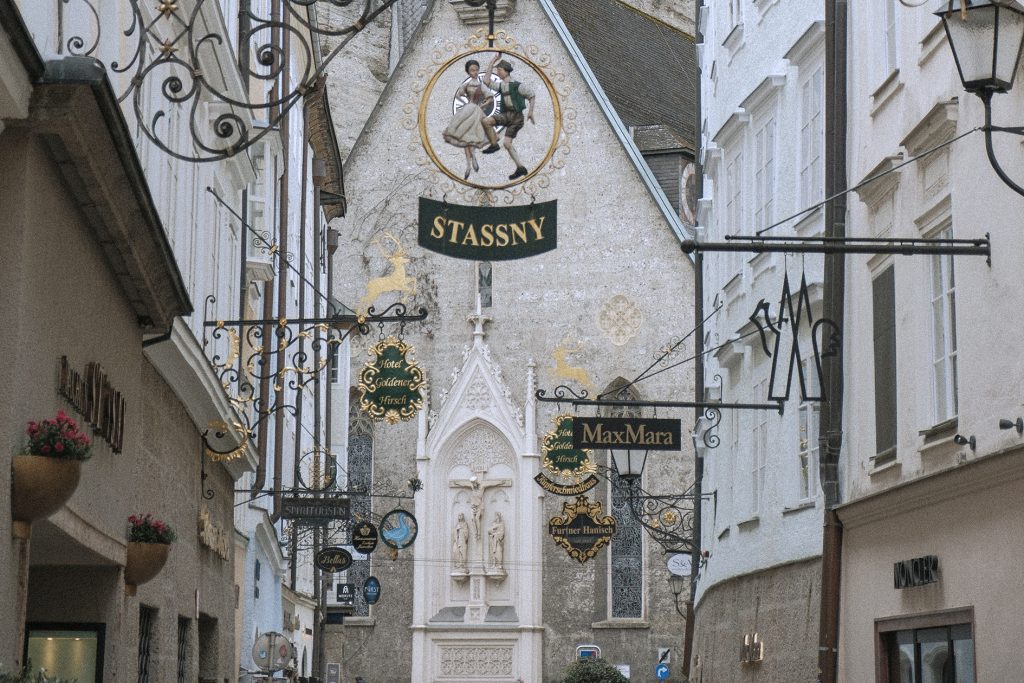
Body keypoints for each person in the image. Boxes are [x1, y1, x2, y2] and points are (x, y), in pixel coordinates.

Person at [481, 53, 536, 181]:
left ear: (506, 71)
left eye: (499, 70)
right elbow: (486, 81)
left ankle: (520, 167)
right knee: (486, 121)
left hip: (516, 117)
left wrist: (530, 112)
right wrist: (493, 60)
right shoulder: (501, 85)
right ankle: (494, 143)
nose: (498, 72)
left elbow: (532, 95)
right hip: (506, 115)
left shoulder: (517, 85)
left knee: (507, 144)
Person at [442, 59, 493, 180]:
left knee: (472, 137)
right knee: (465, 138)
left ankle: (473, 157)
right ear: (468, 72)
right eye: (472, 70)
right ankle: (469, 164)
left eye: (476, 70)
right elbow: (459, 94)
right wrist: (466, 100)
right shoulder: (466, 85)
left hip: (477, 112)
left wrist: (483, 105)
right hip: (468, 110)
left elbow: (490, 97)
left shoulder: (481, 86)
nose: (475, 72)